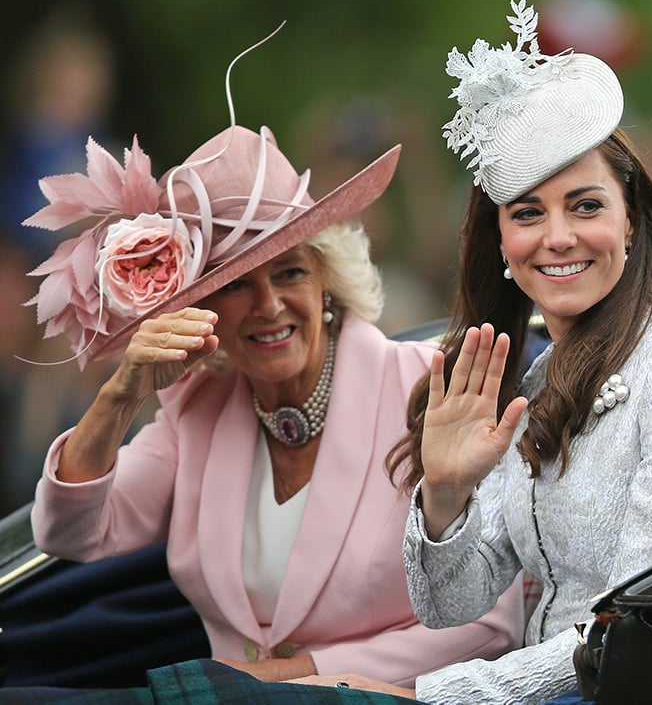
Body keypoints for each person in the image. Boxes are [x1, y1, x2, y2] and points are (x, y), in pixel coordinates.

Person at [293, 0, 652, 703]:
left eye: (586, 205)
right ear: (503, 243)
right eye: (528, 213)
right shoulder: (535, 378)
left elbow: (633, 630)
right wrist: (445, 495)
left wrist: (429, 695)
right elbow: (450, 603)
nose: (558, 237)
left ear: (630, 221)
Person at [27, 64, 524, 686]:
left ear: (327, 284)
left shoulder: (426, 390)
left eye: (289, 273)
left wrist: (295, 677)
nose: (267, 307)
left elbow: (490, 624)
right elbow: (72, 534)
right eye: (235, 286)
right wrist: (120, 396)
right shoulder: (196, 409)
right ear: (203, 311)